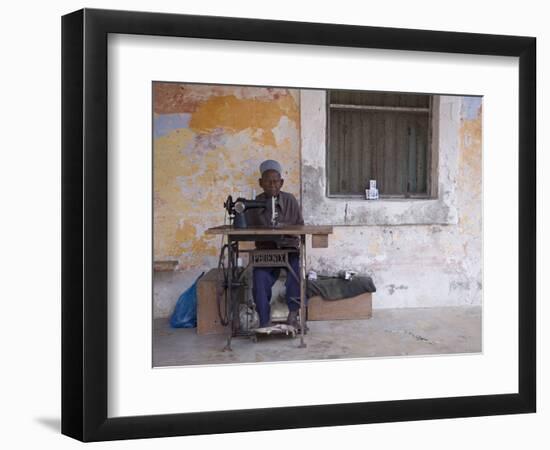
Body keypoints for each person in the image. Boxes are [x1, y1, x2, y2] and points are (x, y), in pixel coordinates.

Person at [245, 160, 304, 328]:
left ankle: (293, 315)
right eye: (268, 181)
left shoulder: (290, 200)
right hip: (266, 252)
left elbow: (300, 225)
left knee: (296, 274)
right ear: (260, 183)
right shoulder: (255, 203)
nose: (272, 185)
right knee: (259, 277)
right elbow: (247, 230)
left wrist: (285, 230)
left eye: (276, 181)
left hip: (289, 250)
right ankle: (264, 320)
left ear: (281, 182)